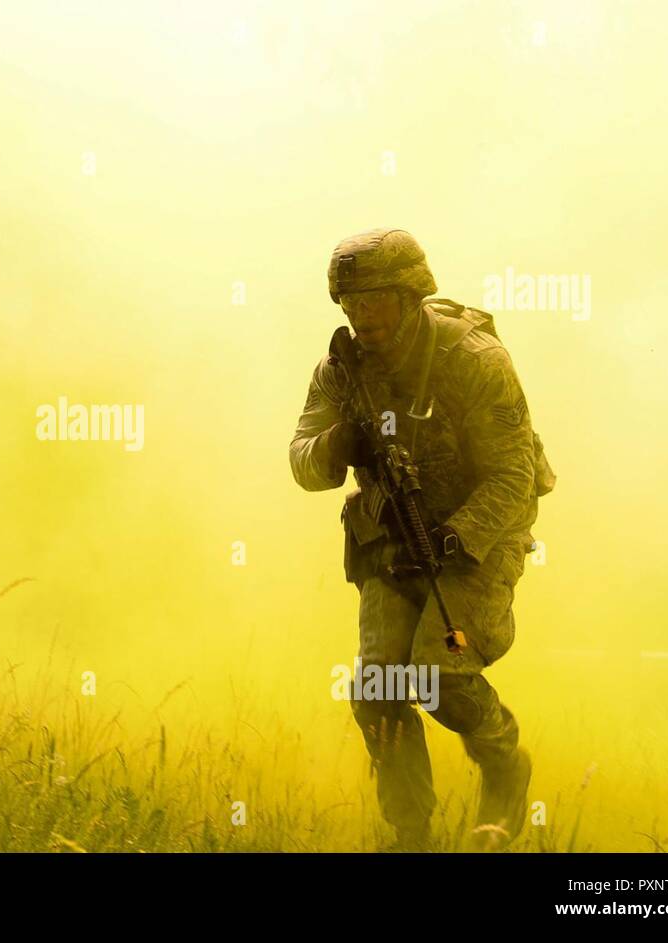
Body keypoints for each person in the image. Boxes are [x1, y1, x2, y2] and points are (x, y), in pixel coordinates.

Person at [289, 228, 555, 851]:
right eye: (350, 304)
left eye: (375, 298)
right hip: (391, 539)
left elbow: (512, 474)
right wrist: (338, 446)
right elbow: (302, 460)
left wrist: (455, 540)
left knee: (440, 675)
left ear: (411, 294)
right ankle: (410, 833)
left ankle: (503, 764)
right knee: (376, 690)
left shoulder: (473, 359)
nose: (362, 315)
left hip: (477, 535)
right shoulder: (342, 369)